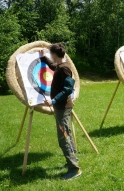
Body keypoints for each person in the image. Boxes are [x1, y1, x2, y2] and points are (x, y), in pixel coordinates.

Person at [39, 43, 82, 180]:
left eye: (50, 54)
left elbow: (68, 88)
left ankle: (74, 169)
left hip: (63, 107)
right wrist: (43, 58)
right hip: (62, 107)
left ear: (54, 54)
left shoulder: (65, 69)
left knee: (63, 138)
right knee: (67, 134)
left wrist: (54, 100)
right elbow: (53, 66)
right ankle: (73, 160)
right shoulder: (60, 66)